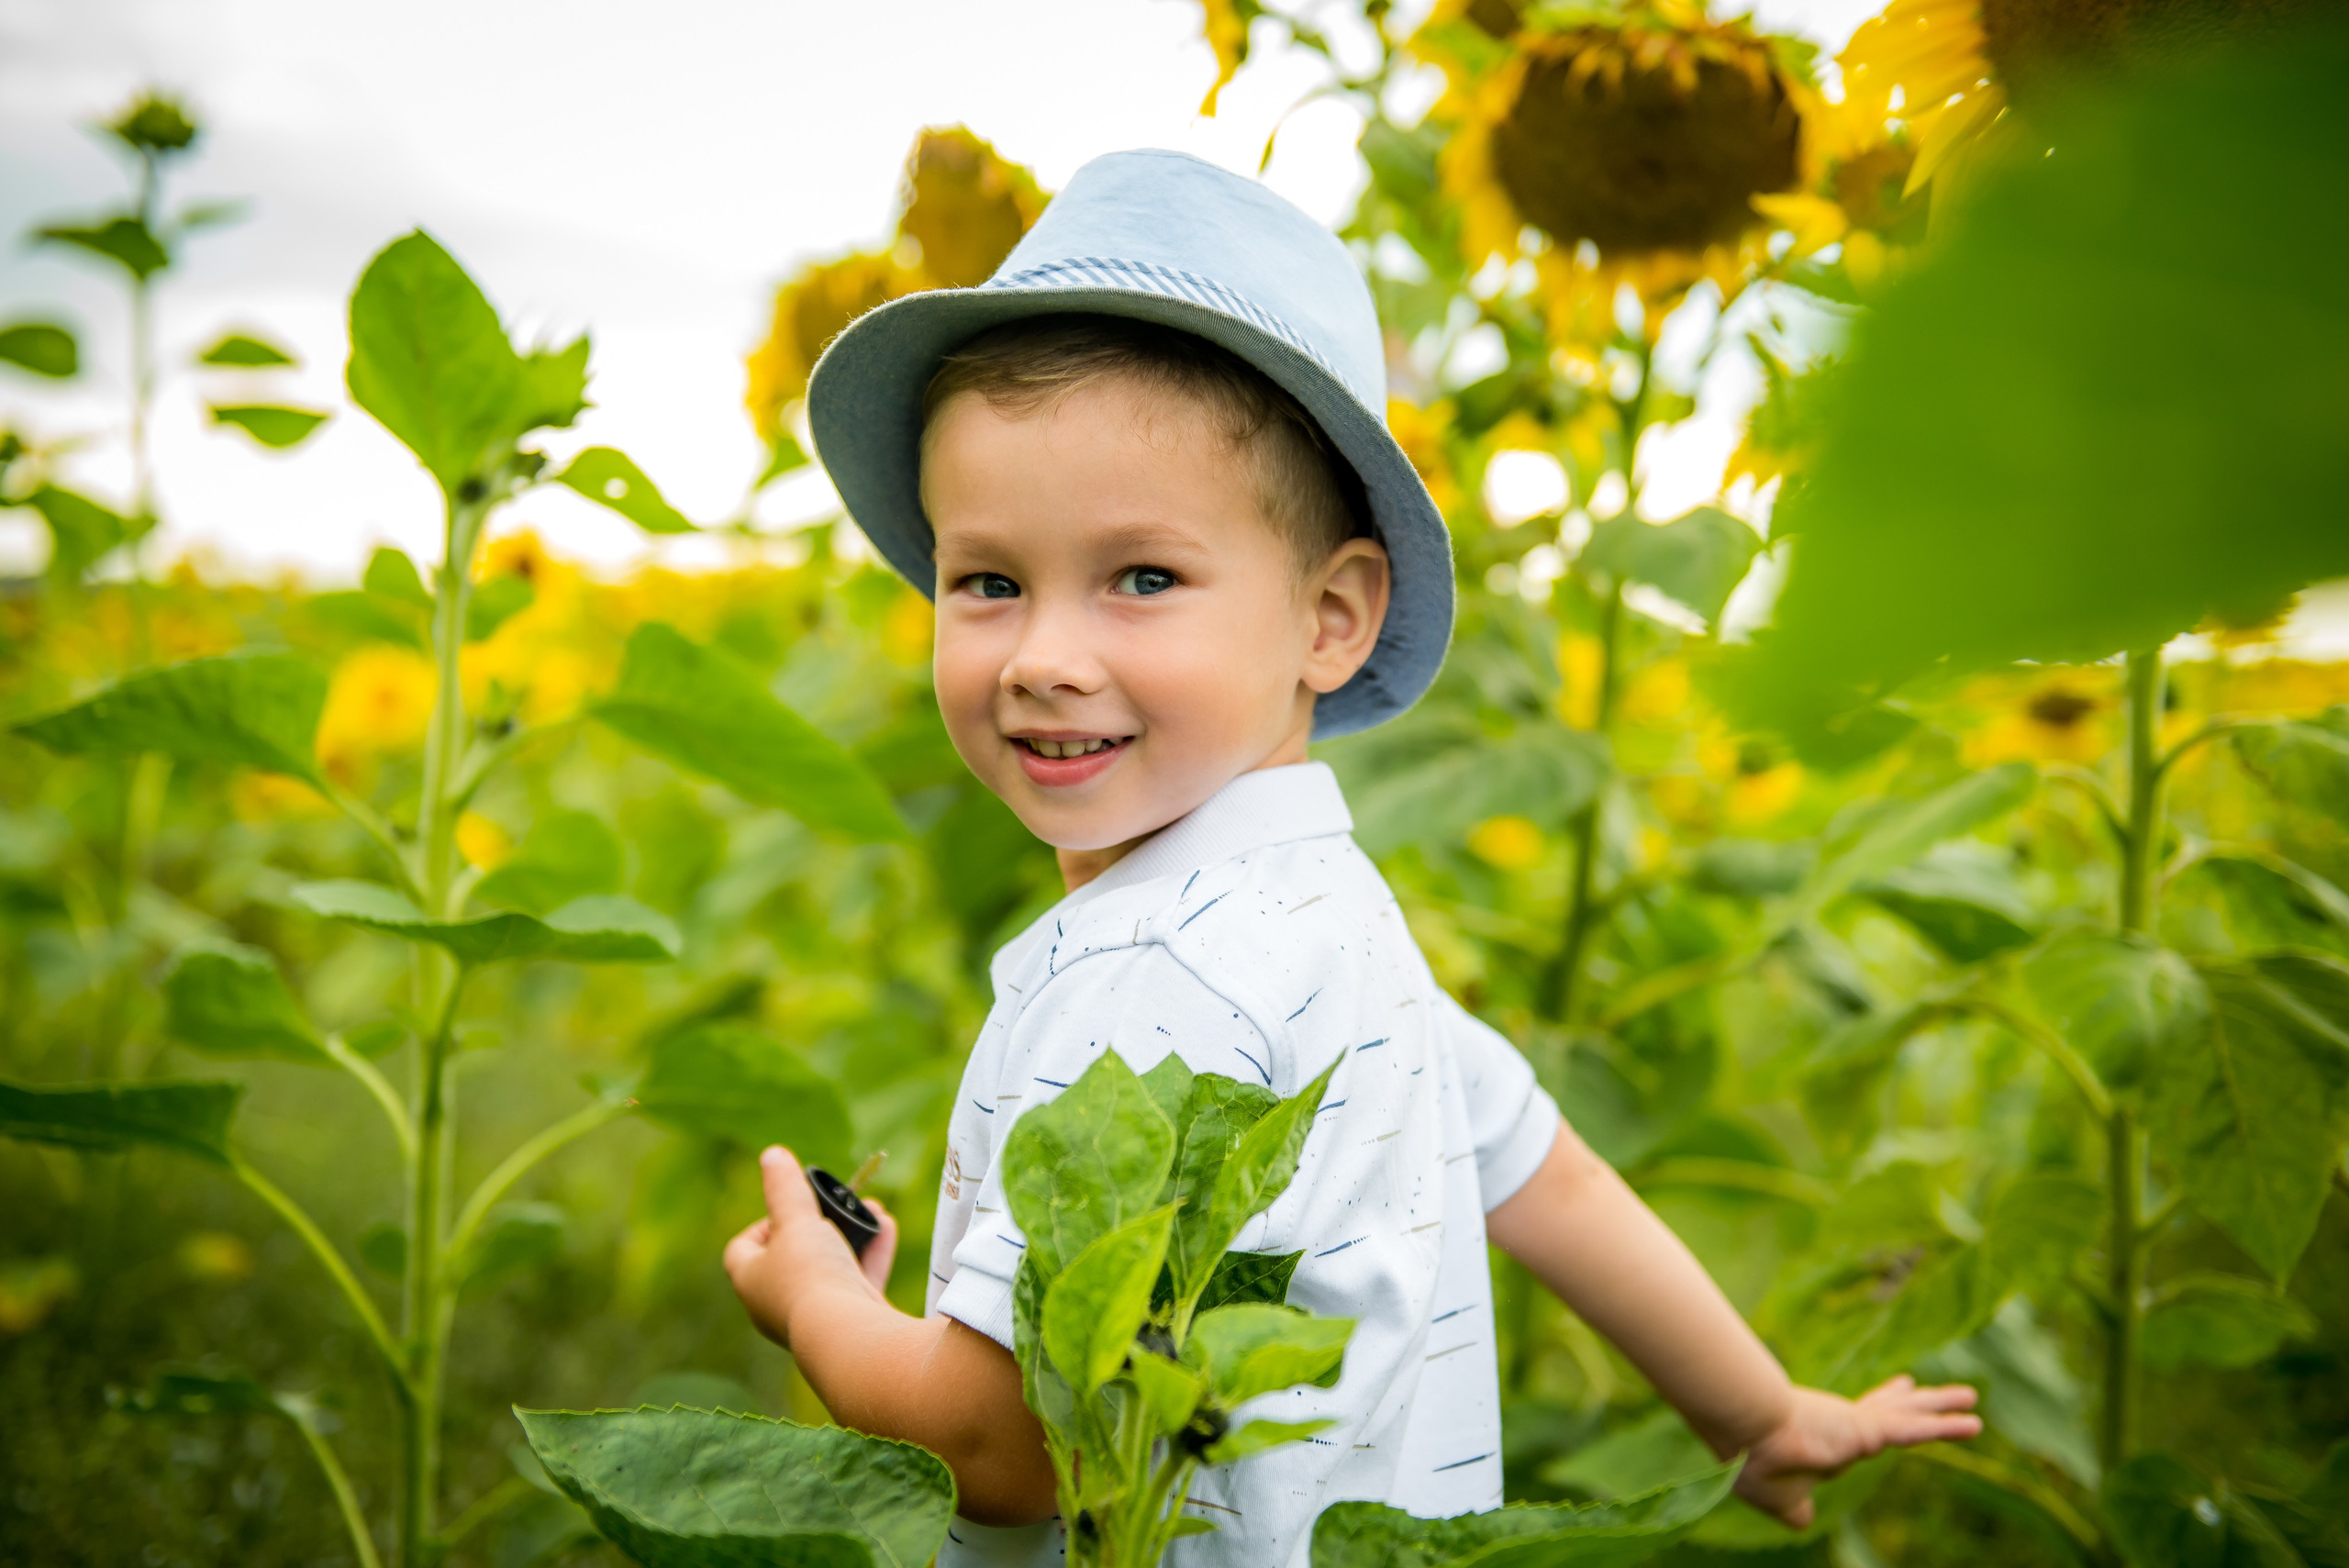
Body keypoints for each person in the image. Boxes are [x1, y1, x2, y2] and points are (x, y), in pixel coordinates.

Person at [722, 150, 1979, 1567]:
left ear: (1331, 618)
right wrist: (1761, 1413)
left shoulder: (1154, 971)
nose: (1044, 657)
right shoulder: (1326, 921)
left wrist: (819, 1305)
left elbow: (996, 1448)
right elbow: (1551, 1179)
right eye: (991, 581)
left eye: (1144, 577)